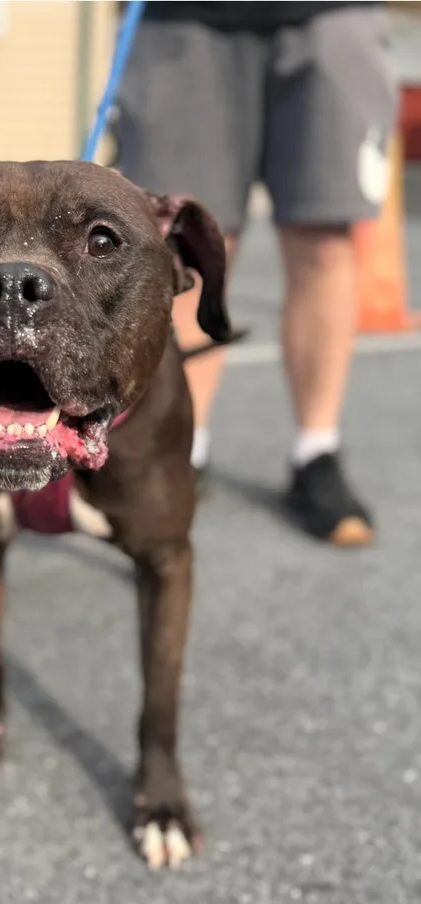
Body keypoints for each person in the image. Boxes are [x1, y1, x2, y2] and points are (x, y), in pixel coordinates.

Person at [117, 1, 398, 545]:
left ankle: (317, 450)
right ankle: (182, 449)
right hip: (184, 20)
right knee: (190, 245)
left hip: (333, 13)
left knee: (324, 239)